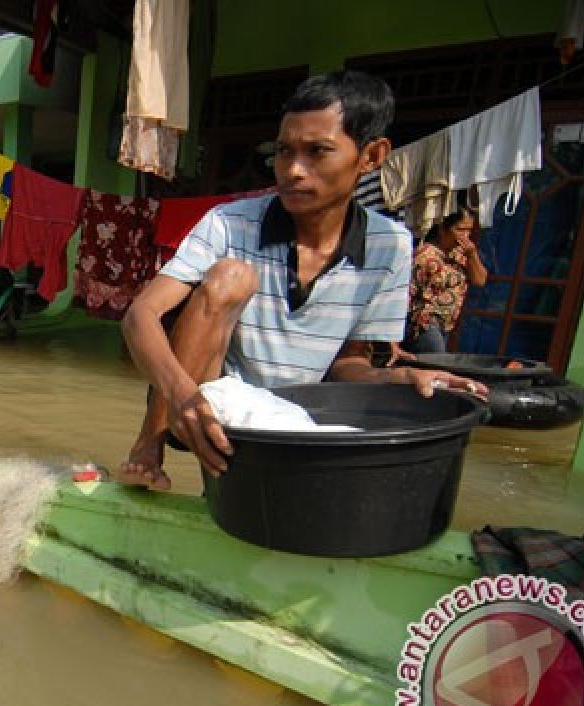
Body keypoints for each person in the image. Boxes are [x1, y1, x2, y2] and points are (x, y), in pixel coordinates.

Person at [119, 70, 487, 490]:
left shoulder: (391, 246)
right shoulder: (229, 223)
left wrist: (400, 379)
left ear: (371, 157)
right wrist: (184, 396)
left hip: (298, 415)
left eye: (317, 152)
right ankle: (148, 446)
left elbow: (350, 363)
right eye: (284, 151)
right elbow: (140, 315)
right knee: (230, 277)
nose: (293, 170)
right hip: (208, 399)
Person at [403, 207, 488, 354]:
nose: (465, 236)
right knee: (438, 363)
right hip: (426, 325)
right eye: (460, 230)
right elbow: (407, 293)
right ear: (443, 229)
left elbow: (480, 280)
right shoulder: (426, 256)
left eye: (469, 230)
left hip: (447, 326)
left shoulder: (460, 255)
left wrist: (472, 254)